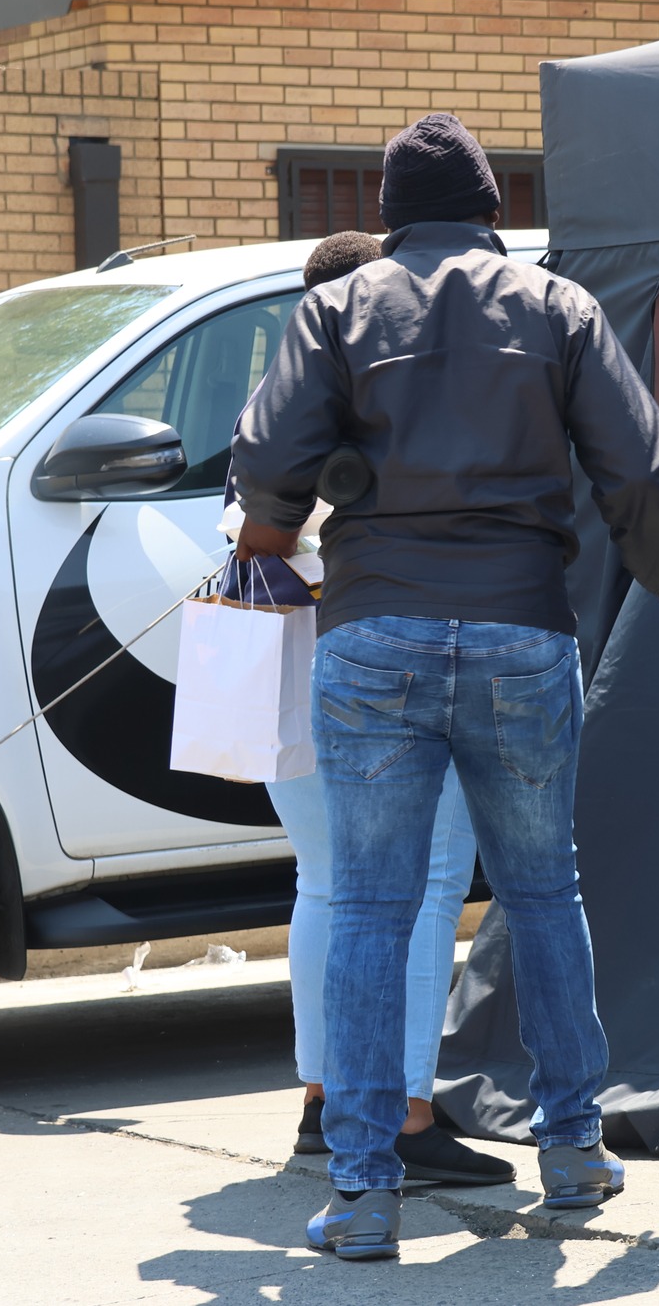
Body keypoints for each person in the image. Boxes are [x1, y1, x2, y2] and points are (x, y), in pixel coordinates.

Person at [231, 113, 659, 1262]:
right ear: (494, 210)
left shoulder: (337, 308)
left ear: (388, 215)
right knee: (542, 894)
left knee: (369, 907)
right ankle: (574, 1151)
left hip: (373, 636)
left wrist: (268, 534)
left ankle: (361, 1195)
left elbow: (267, 461)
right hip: (519, 631)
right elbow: (635, 463)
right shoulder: (556, 307)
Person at [243, 231, 512, 1186]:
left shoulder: (272, 398)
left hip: (286, 668)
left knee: (326, 881)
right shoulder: (390, 393)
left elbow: (254, 526)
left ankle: (325, 1101)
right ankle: (403, 1112)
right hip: (386, 655)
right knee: (428, 881)